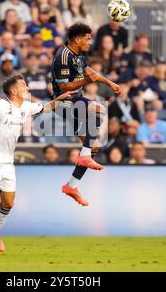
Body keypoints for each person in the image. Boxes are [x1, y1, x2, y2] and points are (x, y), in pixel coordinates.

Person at [0, 74, 74, 256]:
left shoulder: (26, 107)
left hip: (8, 162)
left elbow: (46, 106)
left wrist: (61, 98)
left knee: (8, 203)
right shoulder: (0, 105)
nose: (27, 87)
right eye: (23, 85)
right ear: (14, 90)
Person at [51, 22, 120, 207]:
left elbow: (91, 73)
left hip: (75, 103)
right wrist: (84, 81)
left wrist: (110, 83)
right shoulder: (62, 56)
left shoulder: (78, 55)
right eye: (88, 39)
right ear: (78, 39)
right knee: (100, 109)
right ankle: (85, 155)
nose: (90, 42)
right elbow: (65, 86)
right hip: (63, 101)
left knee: (93, 147)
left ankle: (71, 186)